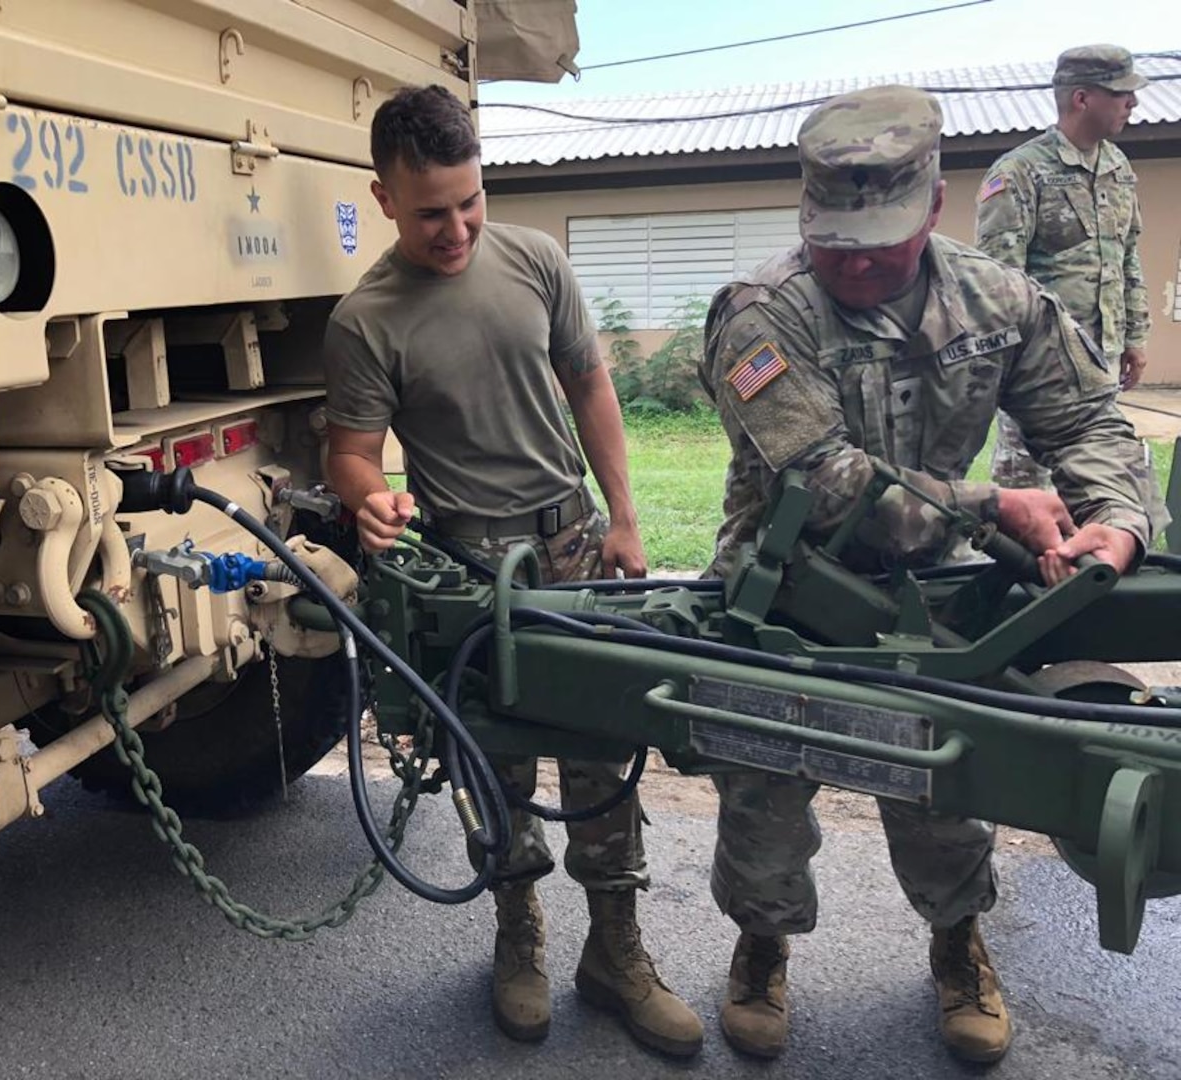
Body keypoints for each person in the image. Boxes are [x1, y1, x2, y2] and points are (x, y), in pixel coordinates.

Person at [698, 85, 1155, 1065]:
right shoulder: (760, 315)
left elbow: (1086, 419)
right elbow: (826, 484)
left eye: (883, 236)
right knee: (762, 790)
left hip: (929, 599)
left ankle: (958, 945)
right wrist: (998, 506)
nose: (857, 259)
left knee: (946, 779)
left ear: (936, 206)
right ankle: (761, 946)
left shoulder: (998, 303)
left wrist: (1115, 522)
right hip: (777, 595)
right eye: (835, 238)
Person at [321, 84, 703, 1059]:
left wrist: (624, 517)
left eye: (469, 201)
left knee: (603, 760)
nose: (455, 229)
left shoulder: (535, 260)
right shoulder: (366, 319)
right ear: (384, 198)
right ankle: (518, 939)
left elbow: (591, 385)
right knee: (495, 773)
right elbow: (352, 452)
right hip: (465, 572)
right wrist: (368, 493)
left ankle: (618, 954)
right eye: (430, 212)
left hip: (571, 550)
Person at [976, 44, 1151, 489]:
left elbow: (1128, 254)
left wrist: (1135, 336)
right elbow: (999, 282)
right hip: (1042, 366)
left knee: (1098, 478)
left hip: (1103, 358)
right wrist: (1012, 366)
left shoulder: (1118, 167)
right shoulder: (1019, 172)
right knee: (1029, 488)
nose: (1132, 103)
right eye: (1121, 93)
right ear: (1082, 98)